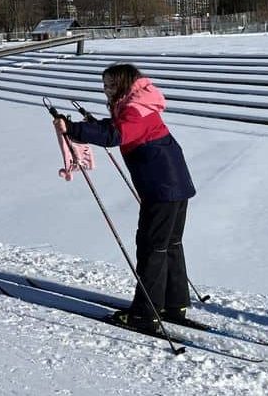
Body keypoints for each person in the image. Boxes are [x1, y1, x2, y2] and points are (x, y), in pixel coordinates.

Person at [53, 63, 196, 332]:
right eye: (103, 84)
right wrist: (89, 126)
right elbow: (120, 128)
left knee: (152, 246)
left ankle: (146, 314)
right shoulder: (140, 101)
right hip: (173, 182)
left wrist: (73, 130)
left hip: (161, 187)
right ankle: (172, 304)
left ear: (123, 84)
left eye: (110, 85)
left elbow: (116, 135)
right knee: (168, 243)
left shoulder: (134, 108)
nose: (105, 90)